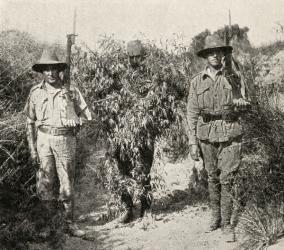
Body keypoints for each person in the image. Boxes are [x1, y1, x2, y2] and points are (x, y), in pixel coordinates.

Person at [186, 34, 250, 242]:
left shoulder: (233, 77)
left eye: (218, 51)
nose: (214, 55)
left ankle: (227, 224)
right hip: (206, 135)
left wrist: (241, 104)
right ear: (206, 56)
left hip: (230, 132)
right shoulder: (197, 82)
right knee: (212, 177)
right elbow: (191, 114)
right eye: (210, 52)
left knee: (227, 179)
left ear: (223, 54)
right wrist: (193, 142)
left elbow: (247, 104)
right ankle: (215, 217)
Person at [24, 49, 92, 237]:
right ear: (42, 72)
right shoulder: (35, 92)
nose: (51, 73)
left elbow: (88, 117)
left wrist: (77, 122)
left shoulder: (71, 91)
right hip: (43, 140)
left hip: (65, 140)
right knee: (44, 185)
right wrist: (32, 149)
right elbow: (29, 122)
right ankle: (48, 226)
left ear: (59, 70)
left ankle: (68, 224)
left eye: (54, 69)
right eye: (46, 69)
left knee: (67, 184)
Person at [114, 40, 154, 224]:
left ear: (143, 56)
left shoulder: (150, 76)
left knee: (144, 169)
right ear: (127, 57)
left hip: (144, 133)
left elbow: (156, 103)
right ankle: (128, 208)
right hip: (122, 133)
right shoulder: (119, 76)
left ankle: (146, 208)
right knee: (123, 170)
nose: (136, 60)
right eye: (132, 57)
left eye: (139, 56)